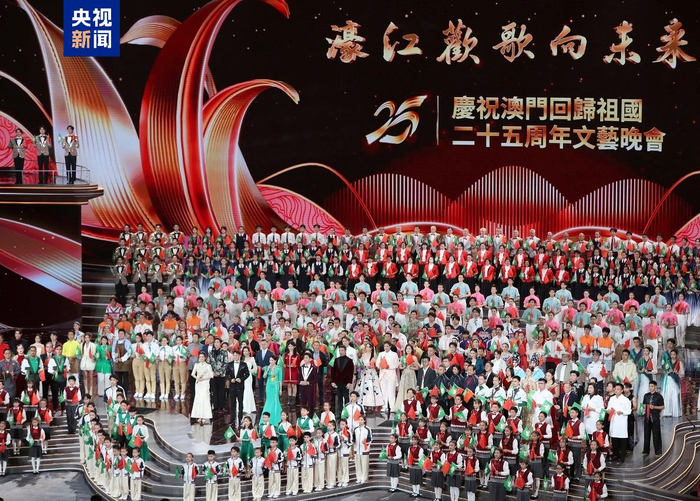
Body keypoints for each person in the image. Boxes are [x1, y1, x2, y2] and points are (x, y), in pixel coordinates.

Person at [607, 383, 632, 463]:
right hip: (613, 421)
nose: (616, 391)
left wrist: (622, 412)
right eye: (615, 389)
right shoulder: (612, 399)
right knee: (614, 439)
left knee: (622, 439)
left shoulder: (625, 400)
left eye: (618, 389)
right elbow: (608, 407)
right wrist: (608, 410)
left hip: (621, 421)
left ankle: (622, 457)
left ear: (622, 390)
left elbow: (629, 411)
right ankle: (616, 455)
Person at [226, 350, 249, 428]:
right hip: (232, 386)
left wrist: (241, 379)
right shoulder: (229, 364)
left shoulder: (244, 364)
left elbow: (247, 374)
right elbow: (227, 373)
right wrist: (230, 379)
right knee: (232, 402)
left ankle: (240, 418)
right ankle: (232, 418)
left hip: (240, 386)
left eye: (236, 355)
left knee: (240, 402)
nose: (235, 357)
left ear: (239, 356)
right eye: (234, 355)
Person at [642, 380, 665, 456]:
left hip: (655, 417)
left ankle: (658, 451)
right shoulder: (646, 395)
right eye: (649, 386)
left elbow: (662, 407)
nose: (650, 388)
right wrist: (642, 408)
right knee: (646, 434)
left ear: (655, 387)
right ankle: (646, 450)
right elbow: (644, 405)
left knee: (656, 434)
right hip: (647, 417)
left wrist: (654, 407)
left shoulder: (659, 396)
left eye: (652, 386)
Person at [191, 353, 213, 424]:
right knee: (198, 398)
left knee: (205, 398)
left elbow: (211, 375)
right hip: (198, 384)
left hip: (205, 383)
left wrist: (203, 379)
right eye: (200, 357)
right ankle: (198, 416)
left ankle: (205, 416)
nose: (201, 358)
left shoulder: (208, 366)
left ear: (205, 358)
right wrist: (197, 378)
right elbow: (192, 374)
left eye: (202, 357)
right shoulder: (196, 365)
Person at [262, 356, 283, 425]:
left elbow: (280, 379)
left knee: (275, 400)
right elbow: (264, 376)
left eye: (272, 360)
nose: (271, 362)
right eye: (270, 360)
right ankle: (267, 416)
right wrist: (267, 369)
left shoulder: (279, 368)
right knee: (269, 400)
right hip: (269, 386)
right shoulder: (267, 367)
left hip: (276, 386)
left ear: (275, 361)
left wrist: (280, 389)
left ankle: (276, 417)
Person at [352, 415, 372, 484]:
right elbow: (353, 438)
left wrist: (366, 442)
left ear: (364, 421)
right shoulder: (356, 429)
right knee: (358, 465)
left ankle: (364, 478)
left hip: (364, 450)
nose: (360, 421)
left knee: (364, 465)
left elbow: (370, 439)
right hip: (357, 449)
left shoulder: (367, 429)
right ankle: (359, 477)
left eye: (361, 420)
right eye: (359, 419)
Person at [242, 346, 257, 414]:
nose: (245, 352)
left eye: (246, 351)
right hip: (242, 376)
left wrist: (249, 371)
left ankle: (249, 407)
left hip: (248, 376)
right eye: (244, 351)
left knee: (248, 390)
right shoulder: (242, 359)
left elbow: (255, 368)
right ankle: (243, 406)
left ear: (249, 352)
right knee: (243, 390)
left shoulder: (252, 359)